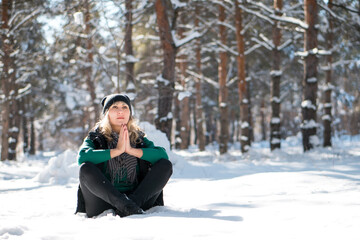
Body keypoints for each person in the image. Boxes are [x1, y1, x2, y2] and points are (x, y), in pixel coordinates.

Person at [75, 94, 173, 218]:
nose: (120, 111)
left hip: (138, 200)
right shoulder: (96, 137)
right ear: (107, 114)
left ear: (129, 113)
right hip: (103, 202)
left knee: (165, 165)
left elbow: (162, 155)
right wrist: (117, 151)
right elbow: (82, 157)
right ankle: (125, 206)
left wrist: (131, 150)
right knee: (86, 168)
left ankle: (129, 206)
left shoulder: (138, 138)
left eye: (125, 107)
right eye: (115, 107)